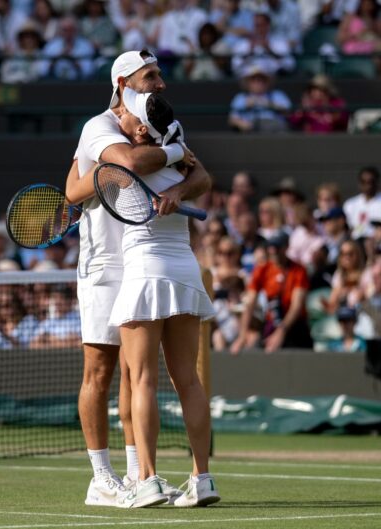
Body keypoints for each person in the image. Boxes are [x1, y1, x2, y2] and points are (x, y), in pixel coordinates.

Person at [64, 51, 211, 509]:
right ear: (125, 82)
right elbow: (106, 172)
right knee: (101, 370)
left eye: (161, 75)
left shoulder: (166, 122)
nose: (161, 83)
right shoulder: (98, 128)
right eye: (152, 76)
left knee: (135, 374)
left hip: (146, 260)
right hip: (105, 263)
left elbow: (201, 173)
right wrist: (169, 153)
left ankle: (137, 475)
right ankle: (101, 476)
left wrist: (177, 188)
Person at [106, 89, 218, 508]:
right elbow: (200, 175)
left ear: (138, 127)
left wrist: (177, 187)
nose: (117, 115)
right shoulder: (180, 154)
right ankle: (202, 478)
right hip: (185, 270)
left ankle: (148, 479)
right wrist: (178, 179)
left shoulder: (121, 155)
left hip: (146, 272)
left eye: (124, 113)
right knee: (187, 379)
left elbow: (122, 168)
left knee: (142, 380)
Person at [231, 231, 312, 354]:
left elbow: (296, 306)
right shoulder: (263, 270)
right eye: (271, 247)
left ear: (285, 247)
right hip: (272, 321)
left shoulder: (298, 271)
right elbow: (250, 303)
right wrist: (242, 335)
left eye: (278, 247)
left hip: (294, 325)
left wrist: (281, 332)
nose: (274, 251)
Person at [337, 0, 381, 77]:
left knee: (378, 58)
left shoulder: (373, 20)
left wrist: (377, 28)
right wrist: (356, 35)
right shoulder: (350, 17)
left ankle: (379, 80)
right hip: (352, 46)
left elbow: (377, 35)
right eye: (365, 4)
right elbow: (340, 38)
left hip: (369, 45)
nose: (367, 7)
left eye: (370, 4)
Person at [228, 66, 291, 133]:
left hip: (275, 130)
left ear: (267, 82)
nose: (258, 83)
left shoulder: (277, 95)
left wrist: (268, 104)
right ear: (247, 83)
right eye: (254, 80)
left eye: (261, 80)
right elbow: (232, 120)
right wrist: (242, 123)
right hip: (251, 131)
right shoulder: (240, 97)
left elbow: (289, 113)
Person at [342, 166, 381, 240]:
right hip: (355, 242)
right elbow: (347, 228)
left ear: (377, 183)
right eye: (363, 182)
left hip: (376, 243)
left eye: (371, 182)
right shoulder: (350, 204)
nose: (368, 186)